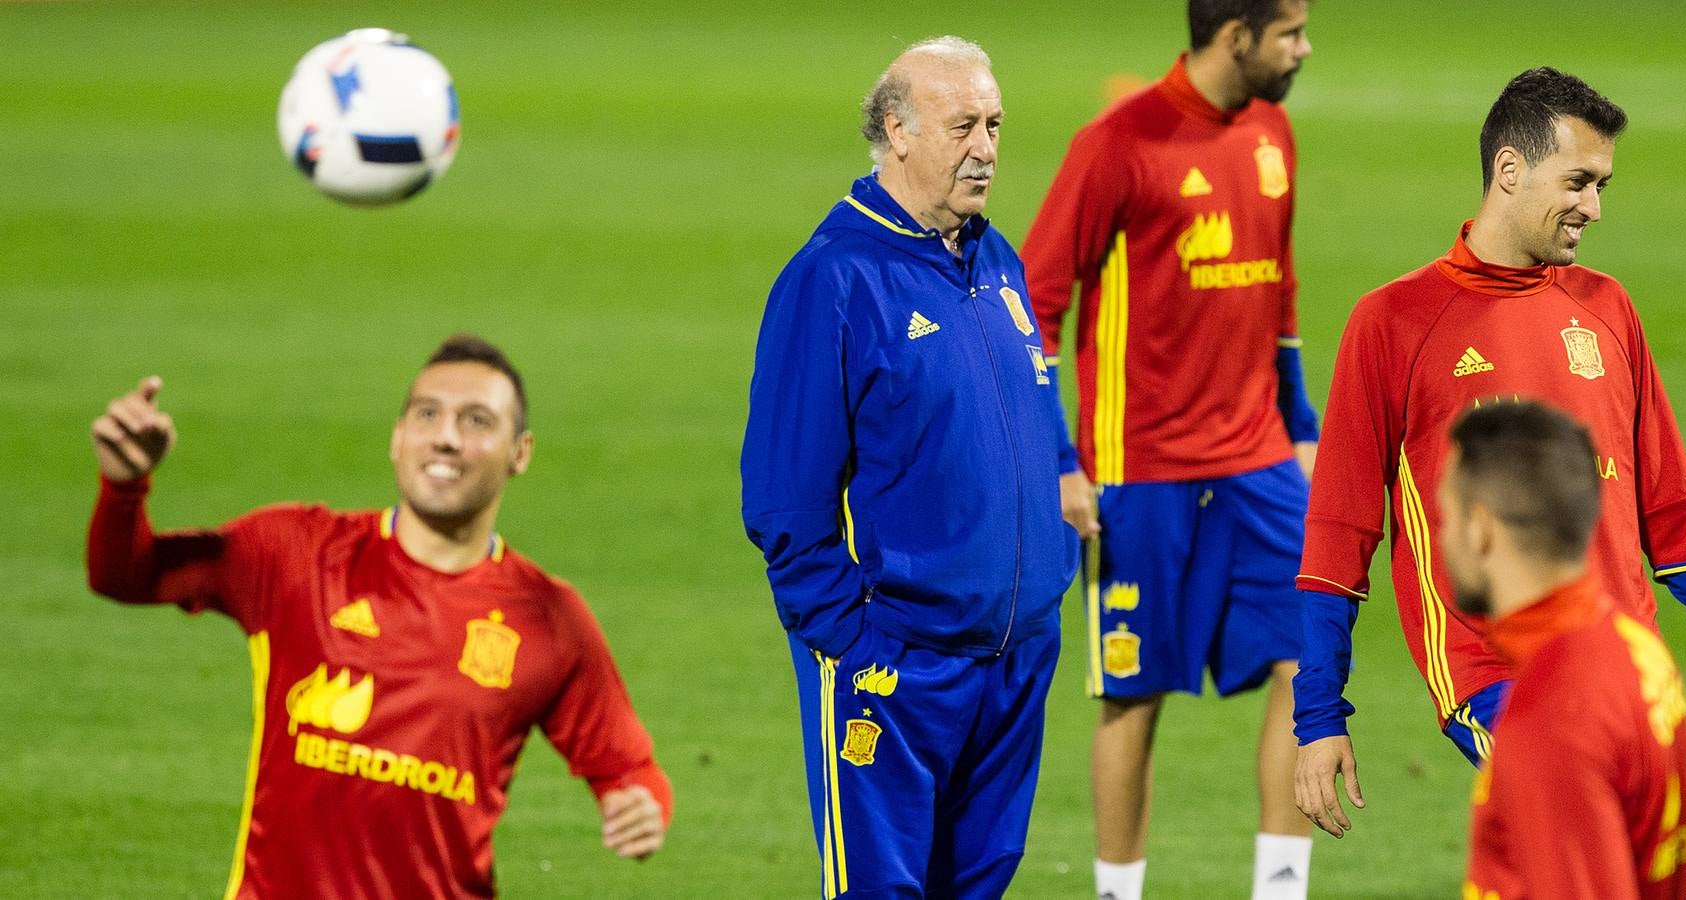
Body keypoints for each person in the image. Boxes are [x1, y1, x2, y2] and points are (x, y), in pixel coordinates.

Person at [1291, 67, 1686, 843]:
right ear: (1509, 168)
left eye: (1602, 184)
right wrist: (1318, 718)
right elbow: (1339, 536)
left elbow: (1669, 508)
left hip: (1629, 676)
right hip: (1499, 678)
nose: (1593, 207)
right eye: (1577, 181)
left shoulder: (1607, 308)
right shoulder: (1395, 322)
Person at [85, 336, 671, 899]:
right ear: (397, 438)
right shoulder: (294, 553)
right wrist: (124, 487)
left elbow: (630, 770)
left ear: (520, 453)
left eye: (476, 421)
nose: (446, 439)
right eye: (426, 415)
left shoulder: (547, 618)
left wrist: (641, 806)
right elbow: (127, 577)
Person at [740, 36, 1080, 899]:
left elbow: (1030, 411)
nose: (988, 148)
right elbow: (785, 498)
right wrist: (852, 644)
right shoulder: (834, 278)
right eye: (964, 125)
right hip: (897, 664)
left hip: (1013, 660)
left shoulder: (994, 259)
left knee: (977, 885)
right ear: (897, 131)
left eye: (996, 125)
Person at [1020, 1, 1317, 897]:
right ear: (1236, 37)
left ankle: (1280, 888)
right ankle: (1117, 892)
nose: (1304, 49)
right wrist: (1061, 457)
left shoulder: (1272, 131)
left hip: (1260, 460)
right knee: (1131, 694)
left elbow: (1281, 292)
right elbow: (1035, 303)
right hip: (1138, 472)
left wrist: (1302, 429)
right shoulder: (1116, 143)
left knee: (1310, 664)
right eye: (1291, 33)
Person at [1440, 400, 1686, 900]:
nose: (1443, 538)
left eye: (1446, 515)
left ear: (1481, 529)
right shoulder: (1633, 648)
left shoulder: (1551, 714)